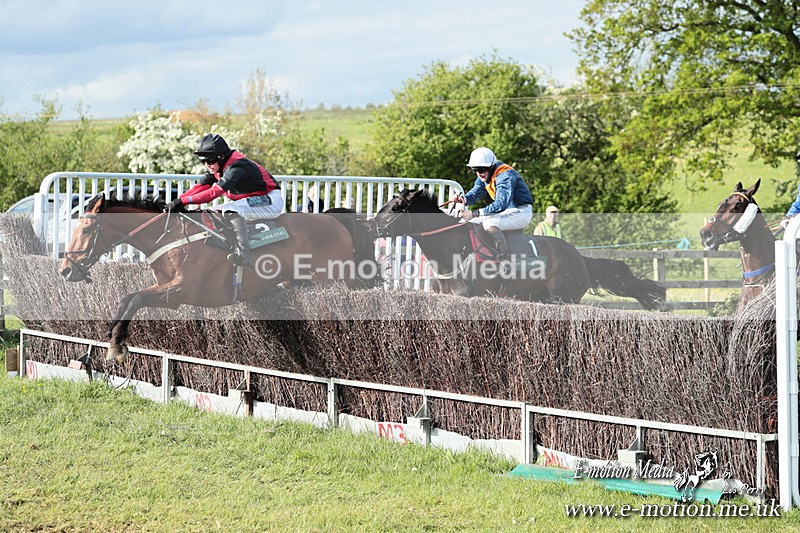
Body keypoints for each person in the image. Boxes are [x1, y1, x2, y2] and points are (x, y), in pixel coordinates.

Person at [166, 133, 282, 269]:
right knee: (216, 212)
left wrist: (184, 202)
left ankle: (245, 255)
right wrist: (177, 201)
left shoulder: (236, 167)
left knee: (229, 209)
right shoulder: (220, 166)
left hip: (270, 200)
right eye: (203, 161)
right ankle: (230, 247)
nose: (207, 165)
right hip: (253, 200)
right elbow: (201, 187)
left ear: (221, 157)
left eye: (209, 161)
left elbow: (214, 193)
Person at [454, 147, 534, 266]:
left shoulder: (505, 175)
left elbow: (501, 204)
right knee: (466, 222)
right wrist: (463, 199)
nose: (479, 173)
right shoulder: (484, 175)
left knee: (489, 223)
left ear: (492, 166)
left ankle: (504, 260)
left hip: (521, 211)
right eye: (475, 170)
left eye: (482, 169)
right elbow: (475, 193)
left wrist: (474, 213)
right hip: (506, 212)